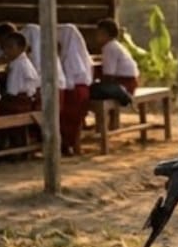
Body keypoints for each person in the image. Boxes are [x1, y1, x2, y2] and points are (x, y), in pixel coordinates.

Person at [57, 23, 94, 155]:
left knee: (67, 118)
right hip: (80, 90)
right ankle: (73, 145)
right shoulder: (81, 55)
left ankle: (68, 145)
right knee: (74, 120)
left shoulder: (70, 58)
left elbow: (69, 80)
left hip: (73, 92)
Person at [93, 18, 138, 106]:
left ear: (104, 34)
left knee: (92, 90)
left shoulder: (109, 48)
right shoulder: (115, 45)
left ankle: (121, 93)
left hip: (124, 85)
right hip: (130, 82)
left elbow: (109, 75)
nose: (96, 36)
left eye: (98, 33)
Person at [0, 31, 41, 115]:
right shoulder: (22, 61)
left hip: (20, 103)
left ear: (21, 49)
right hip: (28, 100)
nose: (6, 50)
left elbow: (11, 91)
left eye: (10, 47)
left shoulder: (18, 65)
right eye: (5, 47)